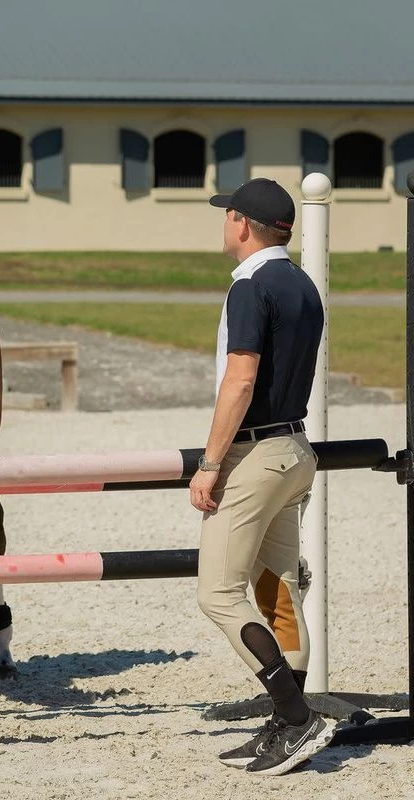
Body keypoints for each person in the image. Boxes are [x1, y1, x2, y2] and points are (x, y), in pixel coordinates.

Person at [191, 178, 333, 776]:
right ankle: (287, 722)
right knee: (277, 588)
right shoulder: (303, 283)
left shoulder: (249, 285)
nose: (224, 223)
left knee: (217, 593)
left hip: (257, 455)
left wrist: (210, 463)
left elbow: (241, 381)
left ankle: (295, 714)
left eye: (228, 215)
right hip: (296, 448)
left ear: (244, 224)